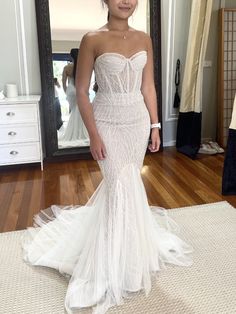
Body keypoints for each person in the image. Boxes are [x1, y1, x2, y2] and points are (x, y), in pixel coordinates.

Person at [21, 1, 193, 313]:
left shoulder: (144, 39)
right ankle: (110, 265)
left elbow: (149, 87)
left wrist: (156, 126)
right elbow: (83, 91)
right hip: (108, 121)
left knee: (129, 185)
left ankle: (131, 254)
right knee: (118, 187)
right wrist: (95, 135)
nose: (126, 1)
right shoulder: (92, 39)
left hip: (137, 122)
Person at [58, 48, 90, 147]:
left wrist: (66, 91)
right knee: (80, 111)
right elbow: (87, 82)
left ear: (71, 56)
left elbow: (63, 82)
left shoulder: (67, 68)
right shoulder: (83, 67)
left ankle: (74, 133)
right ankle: (81, 132)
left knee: (74, 111)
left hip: (71, 90)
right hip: (81, 91)